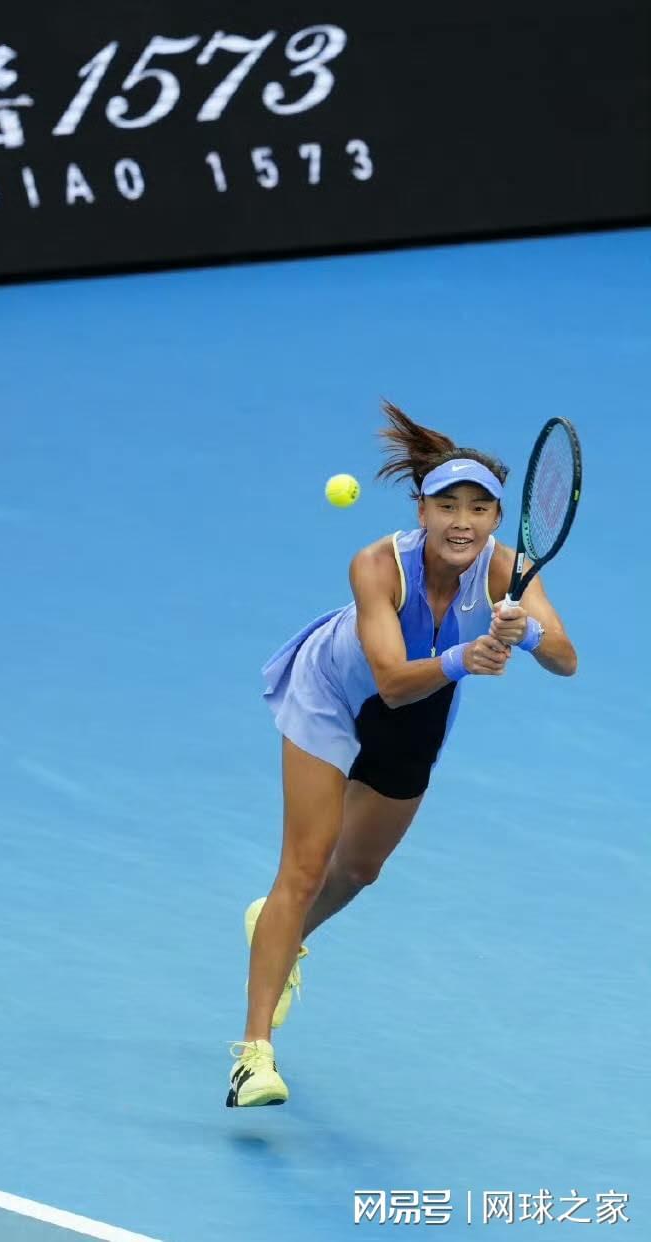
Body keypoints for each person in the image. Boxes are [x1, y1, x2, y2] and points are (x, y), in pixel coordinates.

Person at [227, 401, 577, 1108]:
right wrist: (467, 657)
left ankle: (279, 932)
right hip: (334, 697)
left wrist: (528, 632)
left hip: (420, 711)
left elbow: (566, 659)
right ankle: (253, 1057)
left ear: (496, 519)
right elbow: (389, 678)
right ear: (421, 511)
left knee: (358, 870)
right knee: (305, 866)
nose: (462, 521)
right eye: (447, 505)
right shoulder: (376, 565)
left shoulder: (507, 571)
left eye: (478, 508)